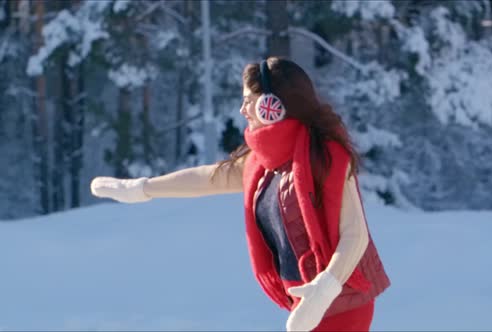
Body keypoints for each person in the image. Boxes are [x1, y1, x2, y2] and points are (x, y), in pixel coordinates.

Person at [90, 57, 390, 331]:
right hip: (304, 299)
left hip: (341, 300)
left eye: (249, 101)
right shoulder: (262, 162)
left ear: (271, 105)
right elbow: (207, 179)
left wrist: (324, 290)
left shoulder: (326, 155)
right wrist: (143, 188)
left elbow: (355, 235)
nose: (242, 109)